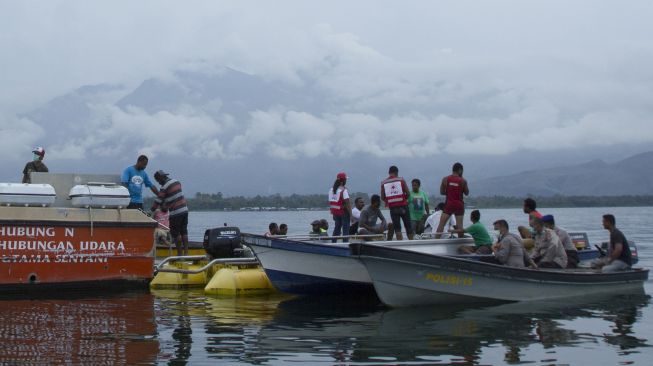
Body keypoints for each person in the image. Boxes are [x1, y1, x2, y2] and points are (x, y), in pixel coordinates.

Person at [152, 170, 189, 256]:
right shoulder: (177, 182)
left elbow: (158, 199)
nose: (159, 183)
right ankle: (186, 253)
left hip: (175, 213)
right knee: (184, 232)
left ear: (161, 178)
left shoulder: (164, 187)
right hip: (184, 210)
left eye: (158, 181)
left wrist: (153, 208)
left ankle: (179, 254)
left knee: (176, 234)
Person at [436, 162, 469, 239]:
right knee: (460, 226)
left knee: (441, 224)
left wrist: (449, 192)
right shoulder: (463, 181)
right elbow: (467, 193)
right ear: (460, 170)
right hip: (459, 205)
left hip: (449, 204)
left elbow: (441, 192)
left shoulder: (445, 179)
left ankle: (435, 241)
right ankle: (460, 242)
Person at [380, 165, 412, 240]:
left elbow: (382, 197)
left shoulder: (384, 182)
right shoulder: (401, 180)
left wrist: (389, 201)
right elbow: (408, 194)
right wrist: (403, 199)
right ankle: (412, 244)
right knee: (408, 227)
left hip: (393, 208)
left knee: (397, 228)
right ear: (397, 172)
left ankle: (400, 245)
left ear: (389, 172)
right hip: (403, 206)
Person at [328, 172, 352, 242]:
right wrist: (351, 215)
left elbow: (331, 202)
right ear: (343, 181)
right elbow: (348, 204)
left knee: (337, 229)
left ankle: (333, 243)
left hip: (335, 213)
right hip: (344, 212)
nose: (346, 181)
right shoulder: (343, 190)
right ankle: (345, 244)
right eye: (345, 180)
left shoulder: (331, 190)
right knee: (345, 230)